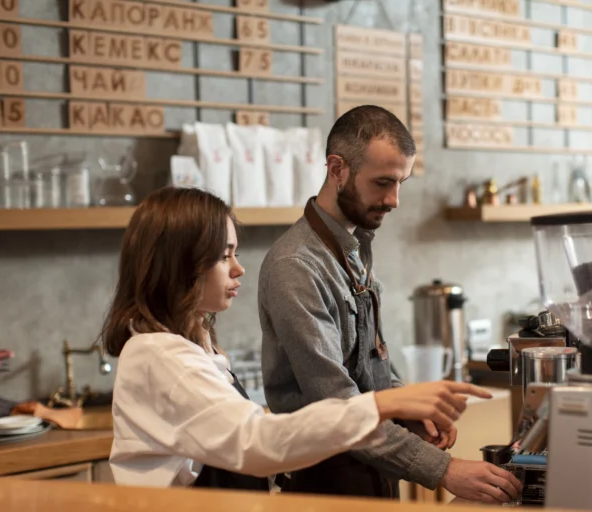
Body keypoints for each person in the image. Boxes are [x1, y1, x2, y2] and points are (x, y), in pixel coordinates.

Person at [102, 186, 493, 490]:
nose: (239, 269)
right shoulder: (160, 357)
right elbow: (257, 442)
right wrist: (382, 404)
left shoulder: (191, 345)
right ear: (180, 266)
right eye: (224, 256)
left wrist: (394, 407)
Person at [259, 105, 522, 505]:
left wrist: (407, 410)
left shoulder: (356, 247)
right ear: (337, 169)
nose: (395, 200)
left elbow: (371, 363)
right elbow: (338, 408)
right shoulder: (296, 267)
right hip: (322, 487)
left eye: (401, 182)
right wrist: (445, 470)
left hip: (372, 472)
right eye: (383, 182)